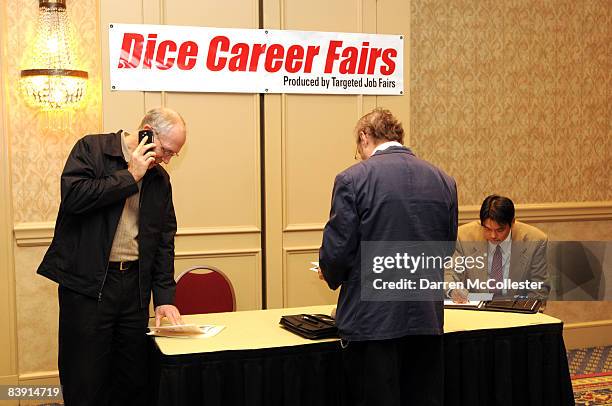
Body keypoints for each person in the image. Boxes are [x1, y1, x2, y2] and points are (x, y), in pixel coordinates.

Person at [37, 107, 187, 405]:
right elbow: (75, 198)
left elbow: (163, 239)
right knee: (85, 376)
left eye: (174, 154)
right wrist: (130, 175)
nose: (167, 159)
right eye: (166, 150)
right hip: (87, 286)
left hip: (133, 287)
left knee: (132, 377)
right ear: (147, 131)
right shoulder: (92, 149)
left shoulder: (160, 180)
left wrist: (165, 296)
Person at [318, 108, 458, 406]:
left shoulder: (352, 179)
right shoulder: (444, 180)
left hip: (373, 323)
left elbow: (337, 251)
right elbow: (445, 250)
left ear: (364, 137)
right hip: (426, 319)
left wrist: (329, 272)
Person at [446, 194, 550, 303]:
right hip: (477, 309)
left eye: (500, 230)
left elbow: (539, 288)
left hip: (516, 310)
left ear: (512, 222)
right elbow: (449, 273)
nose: (493, 235)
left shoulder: (535, 241)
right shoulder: (463, 237)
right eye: (487, 229)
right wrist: (453, 290)